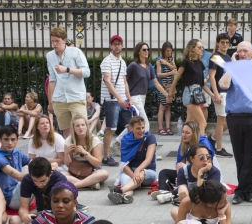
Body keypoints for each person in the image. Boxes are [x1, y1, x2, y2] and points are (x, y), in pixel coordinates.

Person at [219, 41, 252, 205]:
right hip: (235, 117)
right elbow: (223, 85)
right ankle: (243, 190)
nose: (242, 53)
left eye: (245, 51)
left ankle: (245, 190)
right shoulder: (231, 69)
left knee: (250, 155)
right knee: (239, 155)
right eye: (239, 51)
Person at [46, 26, 90, 139]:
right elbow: (52, 79)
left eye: (57, 41)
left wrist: (67, 69)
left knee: (81, 130)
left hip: (76, 97)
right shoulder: (50, 56)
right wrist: (50, 102)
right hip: (59, 99)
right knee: (66, 132)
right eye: (52, 41)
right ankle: (71, 155)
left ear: (64, 40)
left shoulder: (75, 52)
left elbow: (86, 72)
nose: (54, 44)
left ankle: (84, 154)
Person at [153, 121, 215, 198]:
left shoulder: (203, 144)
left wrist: (185, 173)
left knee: (184, 189)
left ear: (194, 134)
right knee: (164, 172)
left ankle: (171, 195)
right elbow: (180, 164)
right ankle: (163, 192)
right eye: (183, 132)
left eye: (187, 133)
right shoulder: (184, 143)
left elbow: (208, 166)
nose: (184, 135)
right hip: (188, 173)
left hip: (202, 174)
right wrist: (180, 176)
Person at [8, 156, 68, 224]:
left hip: (59, 214)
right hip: (41, 213)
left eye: (42, 181)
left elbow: (66, 208)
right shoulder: (27, 179)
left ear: (50, 173)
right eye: (35, 181)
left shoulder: (60, 180)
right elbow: (23, 208)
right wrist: (25, 216)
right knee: (14, 221)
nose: (39, 184)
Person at [169, 39, 215, 136]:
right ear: (192, 49)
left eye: (202, 47)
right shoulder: (186, 62)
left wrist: (212, 95)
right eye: (199, 47)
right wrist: (170, 93)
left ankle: (183, 148)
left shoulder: (200, 63)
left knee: (188, 125)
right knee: (203, 123)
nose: (202, 49)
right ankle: (202, 145)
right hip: (189, 95)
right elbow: (176, 78)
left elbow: (202, 84)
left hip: (196, 94)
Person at [100, 34, 132, 167]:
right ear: (110, 46)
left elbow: (124, 82)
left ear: (122, 46)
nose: (117, 46)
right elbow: (107, 81)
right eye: (114, 44)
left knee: (129, 126)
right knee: (111, 128)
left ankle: (127, 152)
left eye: (119, 44)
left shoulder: (122, 62)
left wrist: (129, 98)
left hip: (123, 100)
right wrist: (118, 97)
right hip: (111, 100)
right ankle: (106, 156)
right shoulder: (106, 61)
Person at [108, 116, 156, 205]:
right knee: (126, 182)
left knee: (141, 174)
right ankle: (125, 196)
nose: (141, 130)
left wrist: (138, 171)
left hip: (148, 172)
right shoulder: (126, 140)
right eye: (138, 128)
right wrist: (133, 175)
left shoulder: (150, 138)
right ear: (131, 128)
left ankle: (119, 191)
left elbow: (148, 160)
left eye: (143, 128)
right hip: (130, 172)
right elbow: (124, 164)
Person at [157, 143, 221, 206]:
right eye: (201, 157)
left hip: (206, 205)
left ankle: (170, 196)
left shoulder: (214, 172)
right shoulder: (183, 171)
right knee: (174, 211)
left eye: (208, 157)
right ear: (191, 159)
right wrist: (181, 189)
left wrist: (200, 172)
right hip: (189, 202)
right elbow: (182, 189)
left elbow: (205, 195)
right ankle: (169, 195)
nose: (205, 160)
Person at [127, 42, 171, 129]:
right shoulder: (133, 65)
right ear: (138, 52)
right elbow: (124, 81)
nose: (146, 51)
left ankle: (118, 141)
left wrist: (167, 95)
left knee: (135, 123)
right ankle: (146, 141)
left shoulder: (149, 66)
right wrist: (128, 98)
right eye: (144, 50)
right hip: (134, 97)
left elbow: (156, 83)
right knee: (144, 122)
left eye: (148, 49)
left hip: (143, 97)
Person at [0, 126, 30, 211]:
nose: (10, 143)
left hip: (18, 192)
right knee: (38, 178)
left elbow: (33, 163)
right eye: (6, 139)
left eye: (13, 139)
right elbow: (20, 176)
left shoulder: (16, 152)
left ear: (17, 140)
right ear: (0, 139)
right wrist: (43, 169)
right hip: (7, 198)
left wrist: (49, 165)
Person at [63, 115, 109, 190]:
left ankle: (75, 185)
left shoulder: (94, 139)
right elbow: (68, 165)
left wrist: (85, 153)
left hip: (92, 170)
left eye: (83, 125)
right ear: (73, 128)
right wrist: (66, 153)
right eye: (77, 126)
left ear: (87, 126)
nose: (81, 128)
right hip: (75, 170)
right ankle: (89, 184)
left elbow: (97, 164)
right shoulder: (69, 140)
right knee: (59, 175)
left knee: (104, 174)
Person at [208, 33, 233, 159]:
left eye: (227, 42)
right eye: (222, 42)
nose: (225, 45)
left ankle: (212, 137)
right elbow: (212, 76)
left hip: (228, 92)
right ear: (218, 43)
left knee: (229, 120)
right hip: (220, 92)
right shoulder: (215, 57)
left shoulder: (227, 56)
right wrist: (215, 93)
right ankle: (219, 147)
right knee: (221, 119)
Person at [156, 41, 177, 135]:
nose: (169, 53)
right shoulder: (159, 60)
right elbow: (159, 74)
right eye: (167, 51)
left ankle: (168, 127)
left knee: (168, 107)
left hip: (170, 87)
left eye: (170, 51)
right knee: (162, 107)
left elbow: (175, 69)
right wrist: (169, 73)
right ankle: (160, 127)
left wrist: (167, 63)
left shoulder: (171, 59)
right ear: (163, 51)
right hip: (163, 87)